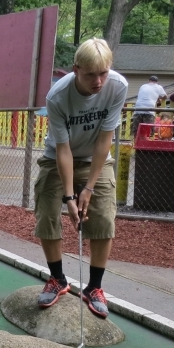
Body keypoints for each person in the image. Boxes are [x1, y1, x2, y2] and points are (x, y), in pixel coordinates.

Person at [34, 38, 127, 319]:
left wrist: (87, 188)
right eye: (90, 75)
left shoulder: (118, 87)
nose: (98, 81)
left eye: (103, 73)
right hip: (57, 157)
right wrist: (69, 196)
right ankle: (58, 279)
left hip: (95, 158)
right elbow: (63, 149)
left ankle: (95, 288)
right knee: (48, 213)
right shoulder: (58, 96)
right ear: (75, 69)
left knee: (102, 217)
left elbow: (104, 141)